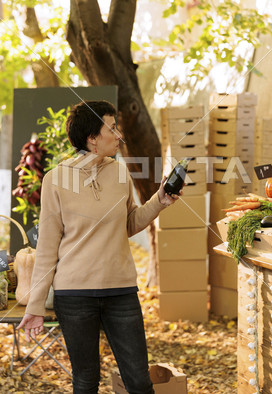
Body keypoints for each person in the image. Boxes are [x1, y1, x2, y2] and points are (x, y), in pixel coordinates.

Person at [17, 100, 181, 394]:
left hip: (121, 292)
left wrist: (159, 202)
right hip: (75, 295)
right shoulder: (55, 180)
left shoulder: (120, 174)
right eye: (112, 128)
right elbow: (47, 249)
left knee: (139, 382)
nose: (119, 135)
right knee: (85, 380)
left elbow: (129, 224)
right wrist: (36, 305)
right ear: (92, 138)